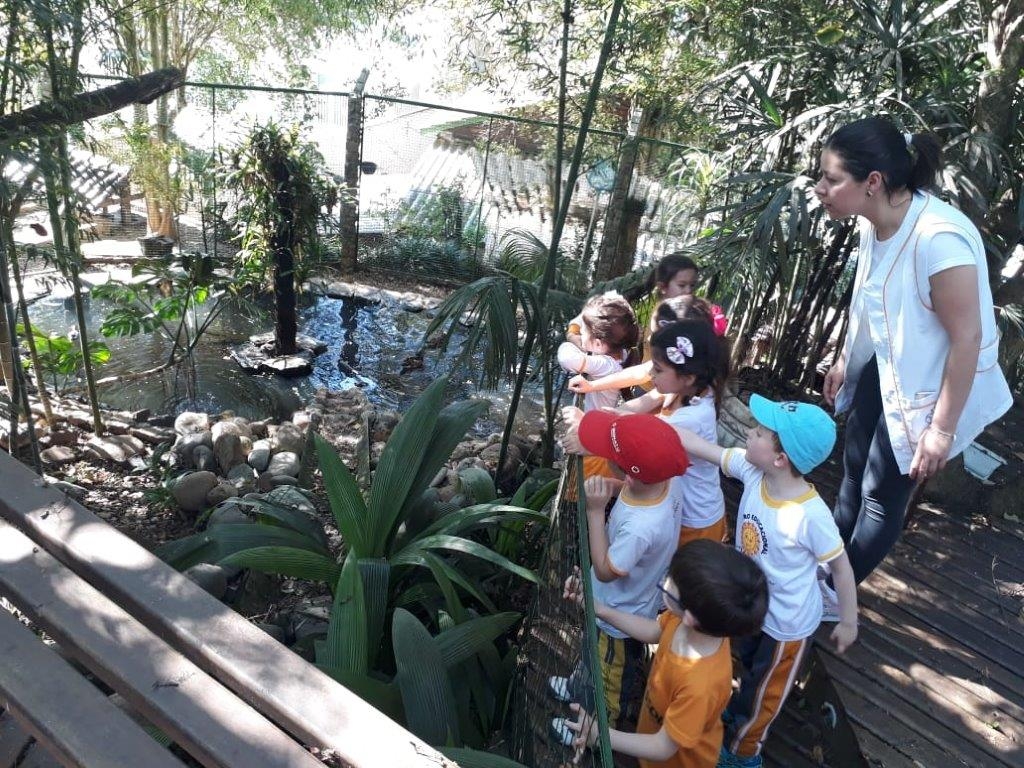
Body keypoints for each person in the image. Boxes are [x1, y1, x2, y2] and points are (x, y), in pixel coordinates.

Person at [817, 116, 1013, 583]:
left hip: (934, 384)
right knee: (854, 469)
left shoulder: (939, 239)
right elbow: (871, 295)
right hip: (890, 364)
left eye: (830, 178)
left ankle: (834, 594)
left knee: (881, 495)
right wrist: (845, 358)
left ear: (872, 182)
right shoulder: (875, 220)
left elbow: (968, 338)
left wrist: (941, 430)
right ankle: (825, 568)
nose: (820, 188)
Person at [671, 396, 858, 768]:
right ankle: (739, 714)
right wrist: (665, 429)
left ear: (780, 459)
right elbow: (707, 449)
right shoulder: (754, 472)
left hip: (786, 625)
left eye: (758, 432)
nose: (749, 433)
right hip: (752, 607)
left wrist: (849, 620)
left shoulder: (810, 515)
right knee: (749, 667)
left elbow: (841, 567)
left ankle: (743, 754)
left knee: (766, 694)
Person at [557, 540, 769, 768]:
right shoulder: (693, 623)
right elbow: (654, 630)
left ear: (691, 617)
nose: (665, 581)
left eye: (669, 584)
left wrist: (601, 735)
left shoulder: (700, 686)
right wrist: (599, 609)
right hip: (652, 733)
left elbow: (663, 746)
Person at [549, 411, 689, 733]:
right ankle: (579, 684)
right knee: (591, 649)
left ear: (632, 474)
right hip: (611, 601)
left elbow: (604, 570)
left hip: (620, 616)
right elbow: (627, 487)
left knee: (610, 676)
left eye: (608, 455)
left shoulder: (642, 528)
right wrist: (610, 488)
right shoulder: (664, 480)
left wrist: (595, 511)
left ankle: (595, 730)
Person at [567, 319, 728, 546]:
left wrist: (588, 437)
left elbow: (633, 447)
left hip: (693, 520)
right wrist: (602, 417)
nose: (650, 373)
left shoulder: (690, 419)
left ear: (687, 377)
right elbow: (642, 404)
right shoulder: (690, 387)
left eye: (657, 369)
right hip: (674, 498)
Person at [569, 295, 729, 397]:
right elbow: (639, 373)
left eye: (657, 334)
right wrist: (592, 386)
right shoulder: (682, 372)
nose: (649, 338)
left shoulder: (687, 401)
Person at [558, 291, 640, 413]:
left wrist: (571, 339)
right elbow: (588, 318)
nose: (581, 332)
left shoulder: (606, 365)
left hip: (588, 421)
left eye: (584, 331)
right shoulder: (620, 350)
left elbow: (568, 359)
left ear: (597, 344)